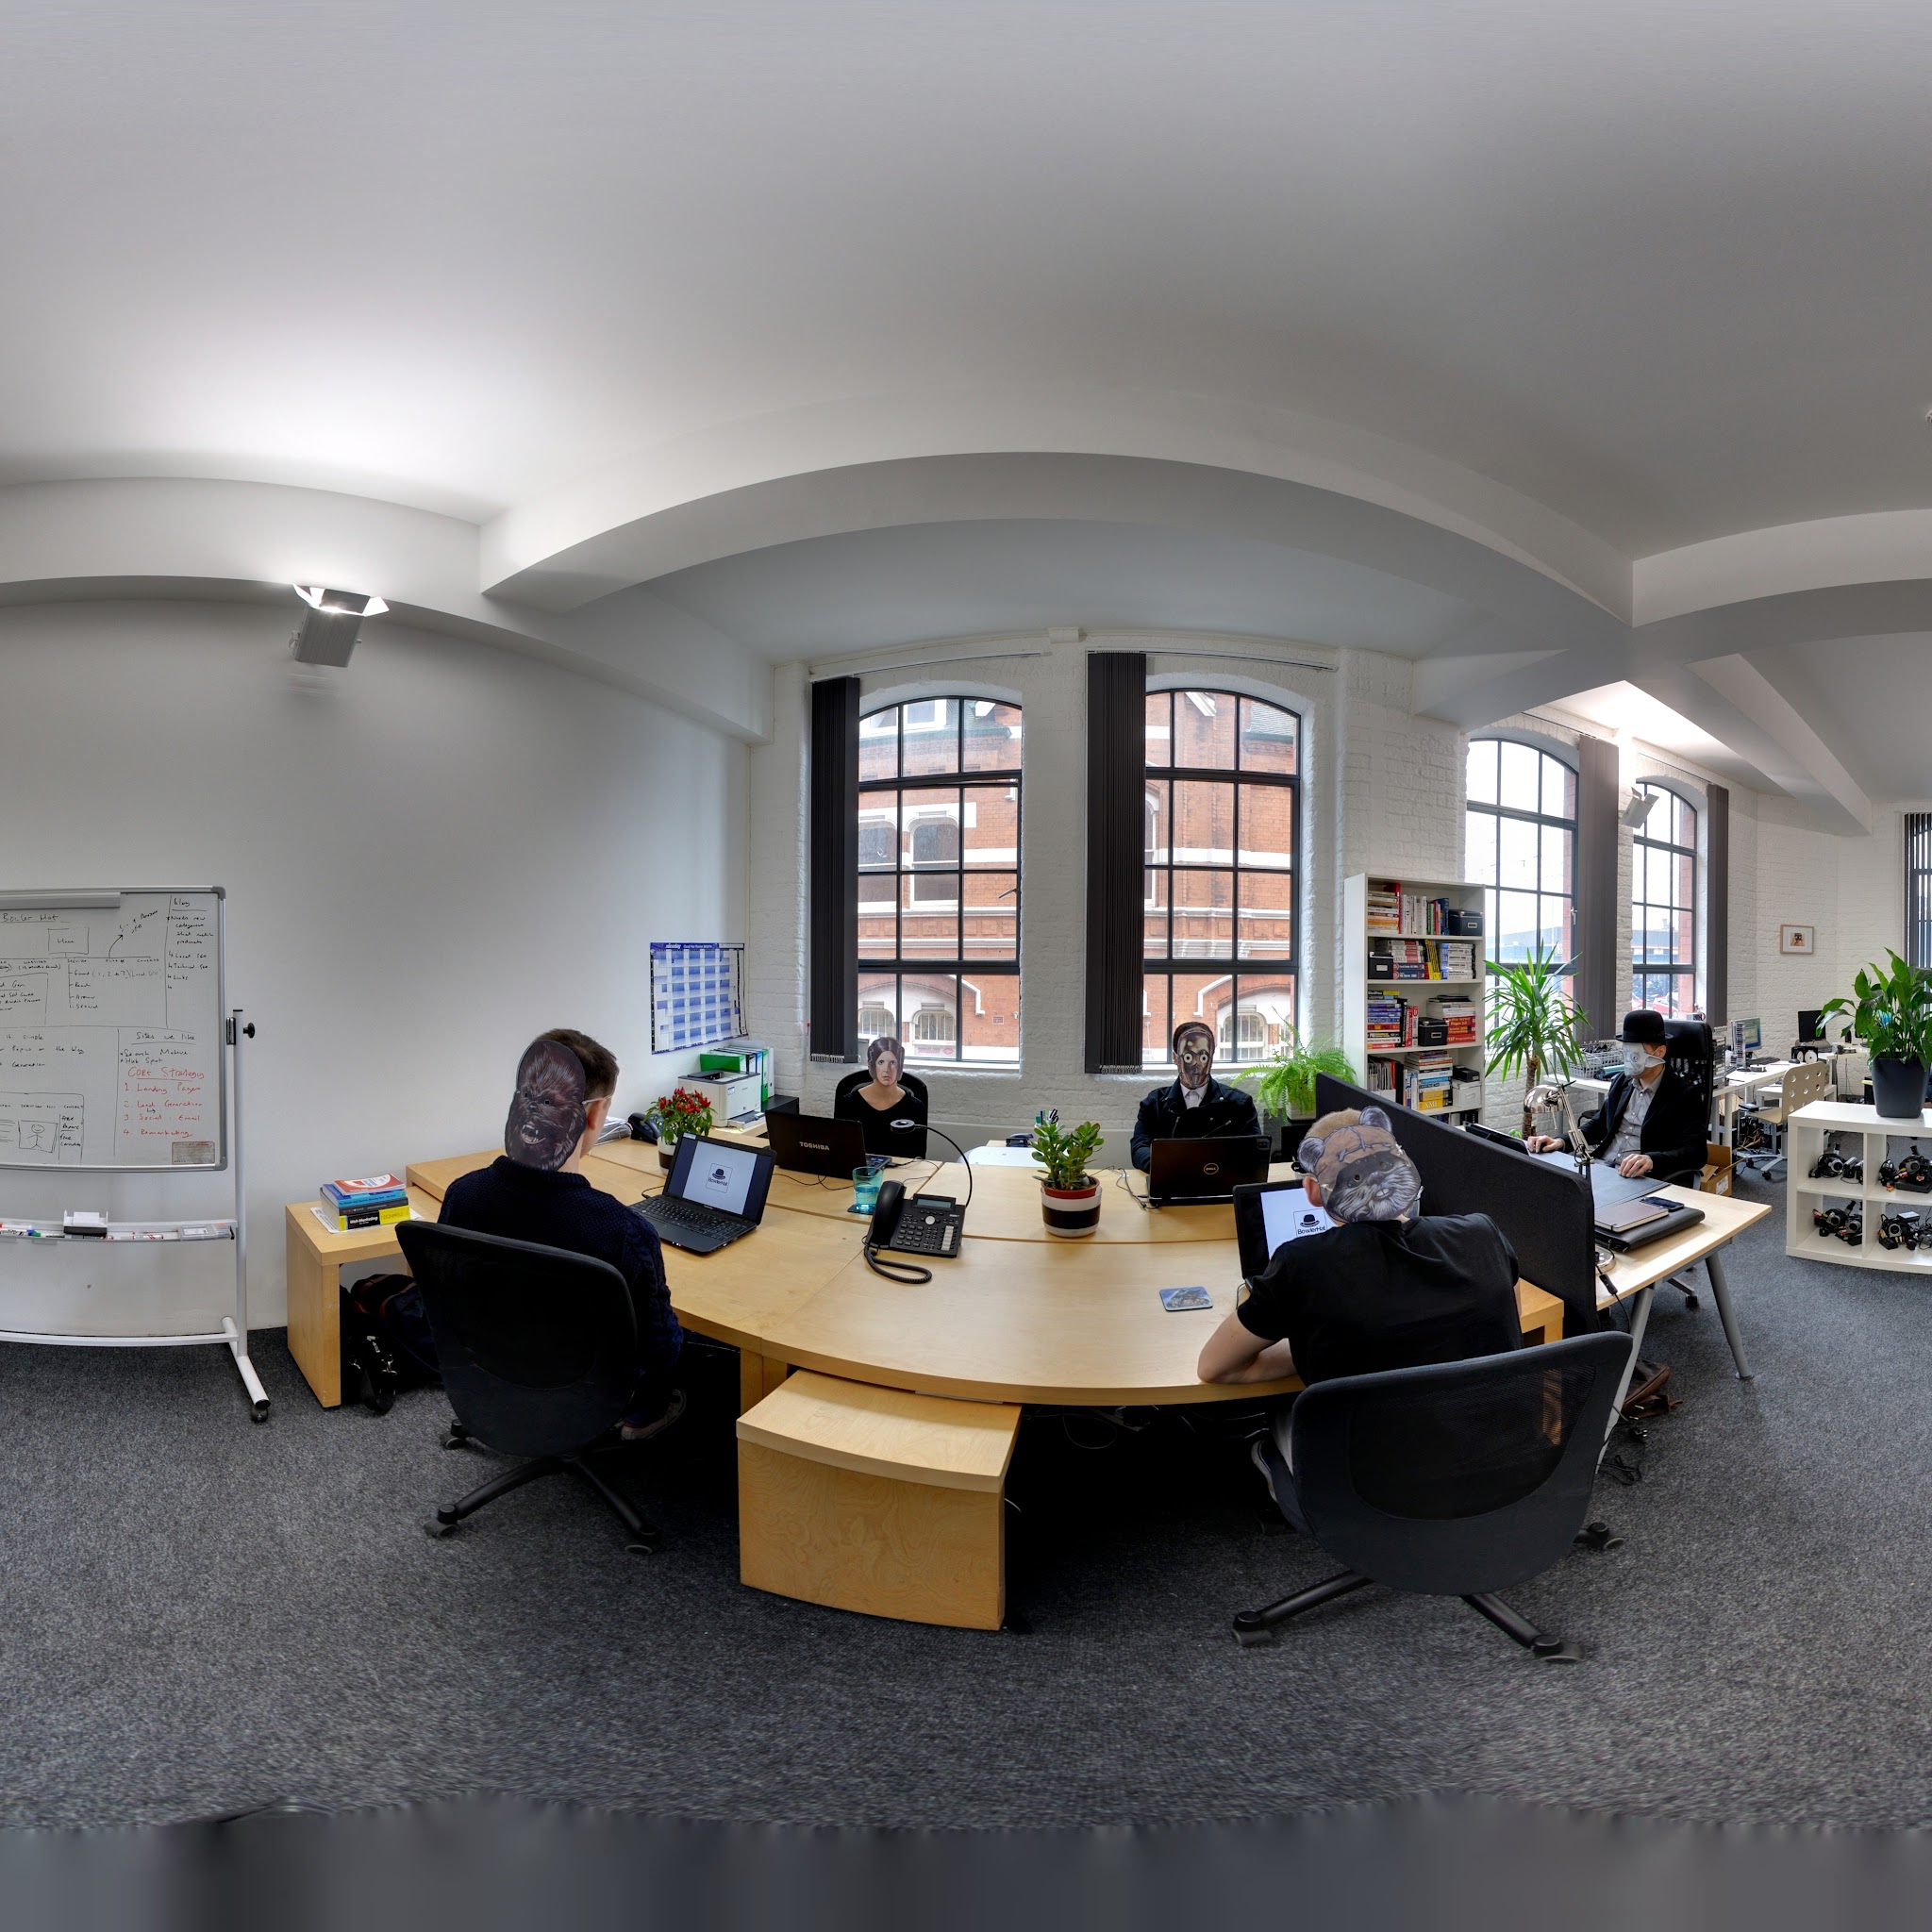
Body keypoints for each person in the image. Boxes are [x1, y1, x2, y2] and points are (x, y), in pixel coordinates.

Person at [436, 1028, 685, 1440]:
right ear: (595, 1115)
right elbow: (661, 1349)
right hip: (593, 1395)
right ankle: (640, 1419)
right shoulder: (623, 1229)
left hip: (489, 1375)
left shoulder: (464, 1195)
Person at [1197, 1106, 1522, 1390]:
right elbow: (1507, 1318)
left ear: (1312, 1191)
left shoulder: (1301, 1266)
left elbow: (1215, 1367)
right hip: (1505, 1438)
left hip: (1375, 1444)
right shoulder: (1484, 1235)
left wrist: (1312, 1345)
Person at [1528, 1008, 1706, 1182]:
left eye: (1634, 1055)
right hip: (1602, 1167)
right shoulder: (1621, 1082)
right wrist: (1561, 1142)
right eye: (1625, 1052)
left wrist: (1651, 1160)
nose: (1628, 1061)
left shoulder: (1684, 1094)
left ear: (1659, 1053)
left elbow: (1696, 1153)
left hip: (1640, 1177)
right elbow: (1598, 1125)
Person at [1129, 1020, 1263, 1171]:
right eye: (1188, 1057)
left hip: (1219, 1182)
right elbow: (1139, 1147)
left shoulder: (1239, 1104)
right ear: (1175, 1058)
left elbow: (1255, 1151)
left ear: (1211, 1058)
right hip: (1170, 1182)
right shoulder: (1154, 1103)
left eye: (1203, 1057)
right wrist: (1164, 1166)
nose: (1196, 1064)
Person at [835, 1034, 927, 1157]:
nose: (887, 1069)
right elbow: (839, 1149)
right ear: (872, 1065)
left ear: (900, 1066)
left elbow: (918, 1156)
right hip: (860, 1168)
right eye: (881, 1062)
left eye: (893, 1063)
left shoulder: (915, 1107)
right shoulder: (848, 1104)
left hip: (901, 1168)